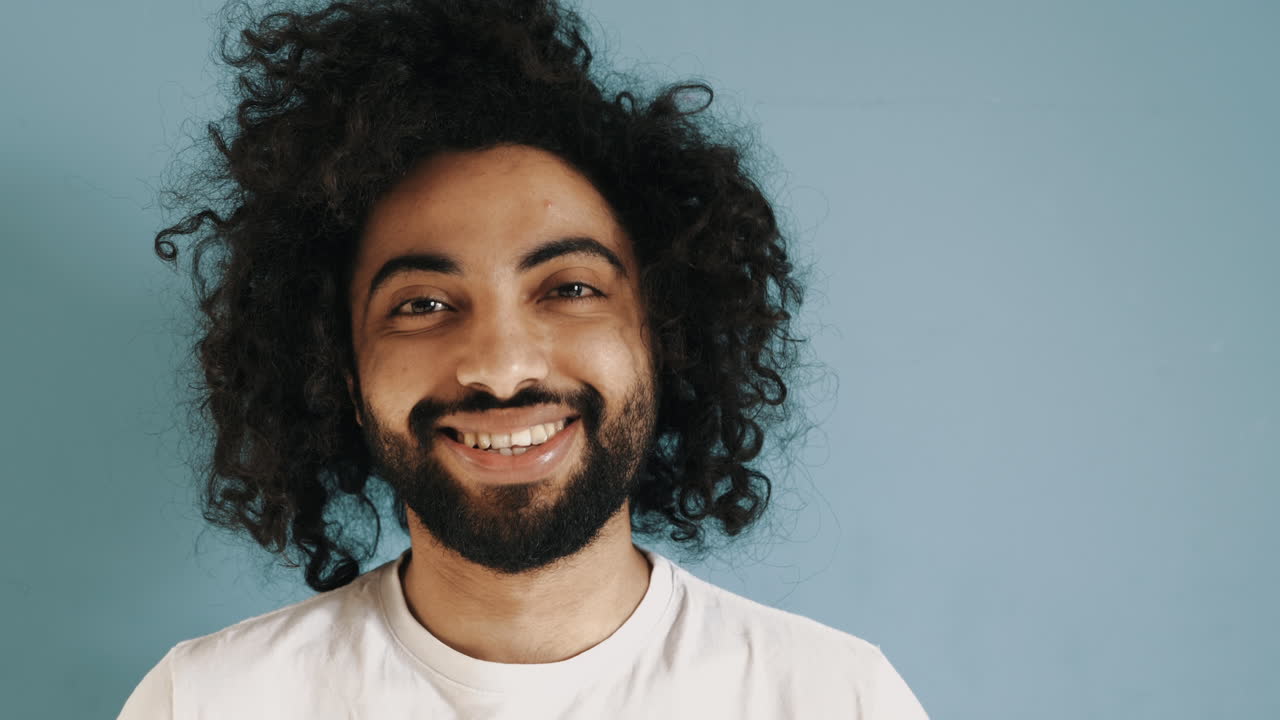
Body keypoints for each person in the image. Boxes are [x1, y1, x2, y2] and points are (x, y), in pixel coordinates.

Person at [119, 0, 929, 717]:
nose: (502, 368)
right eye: (422, 304)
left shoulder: (836, 699)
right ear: (342, 375)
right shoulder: (205, 703)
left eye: (570, 288)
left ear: (662, 334)